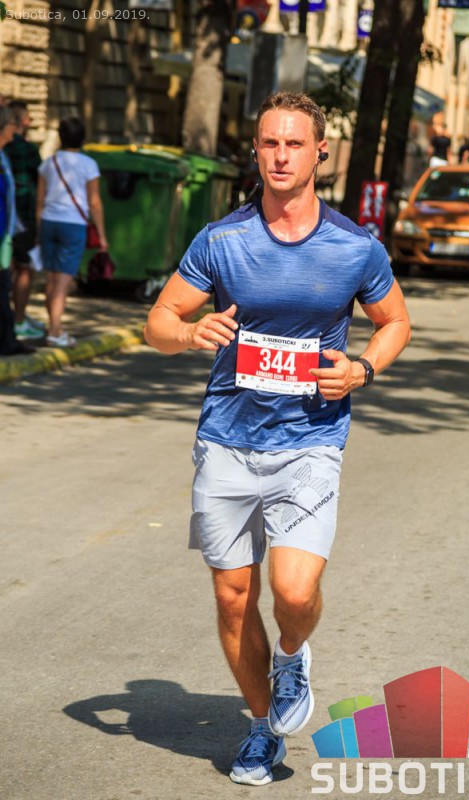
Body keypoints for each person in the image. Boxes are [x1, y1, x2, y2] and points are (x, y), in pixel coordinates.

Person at [144, 91, 411, 786]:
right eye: (269, 143)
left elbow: (394, 322)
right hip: (227, 439)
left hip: (310, 440)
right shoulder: (222, 241)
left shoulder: (354, 246)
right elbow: (158, 322)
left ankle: (292, 653)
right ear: (256, 150)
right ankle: (262, 729)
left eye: (294, 144)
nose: (281, 156)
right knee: (233, 597)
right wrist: (188, 332)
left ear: (319, 151)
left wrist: (361, 369)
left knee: (293, 592)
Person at [36, 116, 108, 348]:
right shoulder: (89, 165)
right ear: (82, 138)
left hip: (48, 222)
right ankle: (55, 331)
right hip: (73, 225)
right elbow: (94, 202)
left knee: (51, 279)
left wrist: (39, 231)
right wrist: (102, 235)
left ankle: (54, 327)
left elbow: (40, 201)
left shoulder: (49, 163)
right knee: (63, 281)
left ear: (60, 136)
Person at [4, 100, 43, 340]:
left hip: (9, 216)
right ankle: (17, 320)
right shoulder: (25, 150)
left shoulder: (7, 150)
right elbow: (40, 181)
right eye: (27, 117)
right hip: (22, 216)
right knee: (23, 268)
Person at [0, 105, 35, 357]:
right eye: (13, 125)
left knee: (3, 286)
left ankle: (8, 339)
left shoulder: (3, 156)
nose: (16, 130)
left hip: (5, 234)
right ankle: (7, 342)